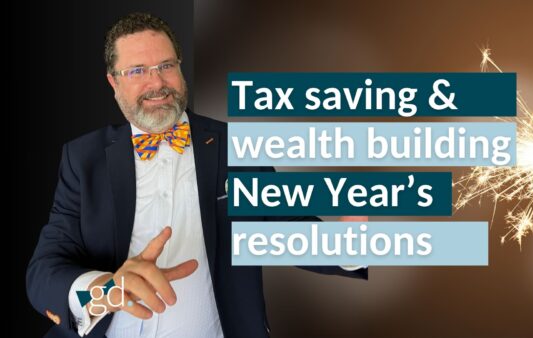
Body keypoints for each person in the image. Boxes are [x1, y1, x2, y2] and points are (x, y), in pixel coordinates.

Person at [26, 12, 367, 338]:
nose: (157, 83)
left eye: (166, 66)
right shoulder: (82, 158)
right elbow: (45, 270)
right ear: (113, 81)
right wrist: (106, 290)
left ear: (180, 68)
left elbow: (287, 229)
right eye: (137, 71)